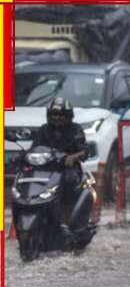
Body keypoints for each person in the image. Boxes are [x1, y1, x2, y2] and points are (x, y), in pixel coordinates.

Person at [31, 97, 88, 242]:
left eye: (61, 115)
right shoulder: (44, 129)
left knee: (68, 182)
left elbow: (84, 151)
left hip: (68, 170)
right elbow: (34, 148)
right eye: (54, 115)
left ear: (68, 116)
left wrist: (73, 157)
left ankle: (66, 222)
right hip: (46, 170)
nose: (57, 118)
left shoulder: (76, 129)